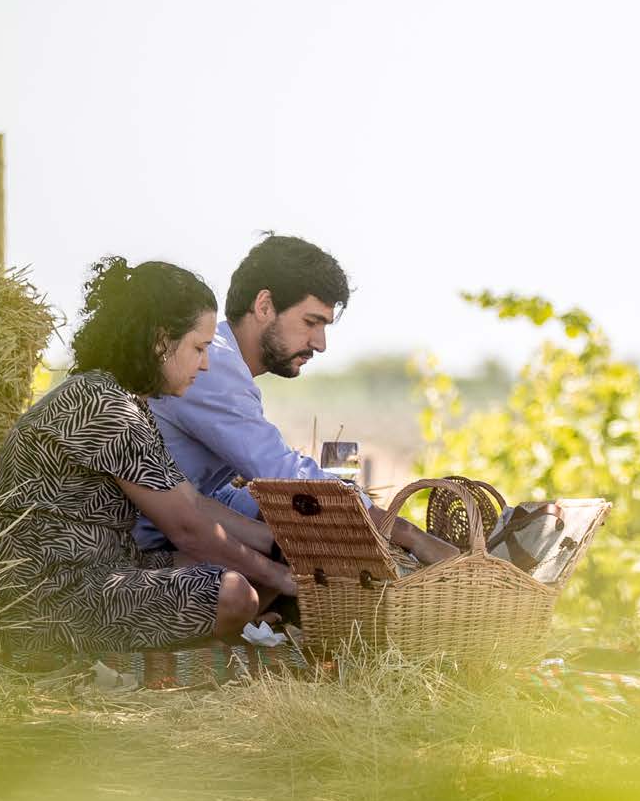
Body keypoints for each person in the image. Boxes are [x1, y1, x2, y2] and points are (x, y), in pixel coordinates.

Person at [0, 255, 294, 657]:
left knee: (249, 572)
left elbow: (190, 500)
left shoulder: (119, 398)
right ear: (160, 340)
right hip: (46, 601)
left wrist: (275, 544)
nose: (205, 364)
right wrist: (285, 578)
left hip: (100, 571)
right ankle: (206, 641)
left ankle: (207, 639)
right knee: (236, 591)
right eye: (198, 348)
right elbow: (187, 528)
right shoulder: (105, 407)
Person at [139, 234, 453, 565]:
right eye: (310, 322)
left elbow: (210, 494)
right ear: (264, 306)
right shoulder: (212, 365)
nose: (320, 343)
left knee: (293, 522)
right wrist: (408, 534)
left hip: (176, 531)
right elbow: (283, 474)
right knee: (303, 537)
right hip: (141, 551)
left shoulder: (222, 362)